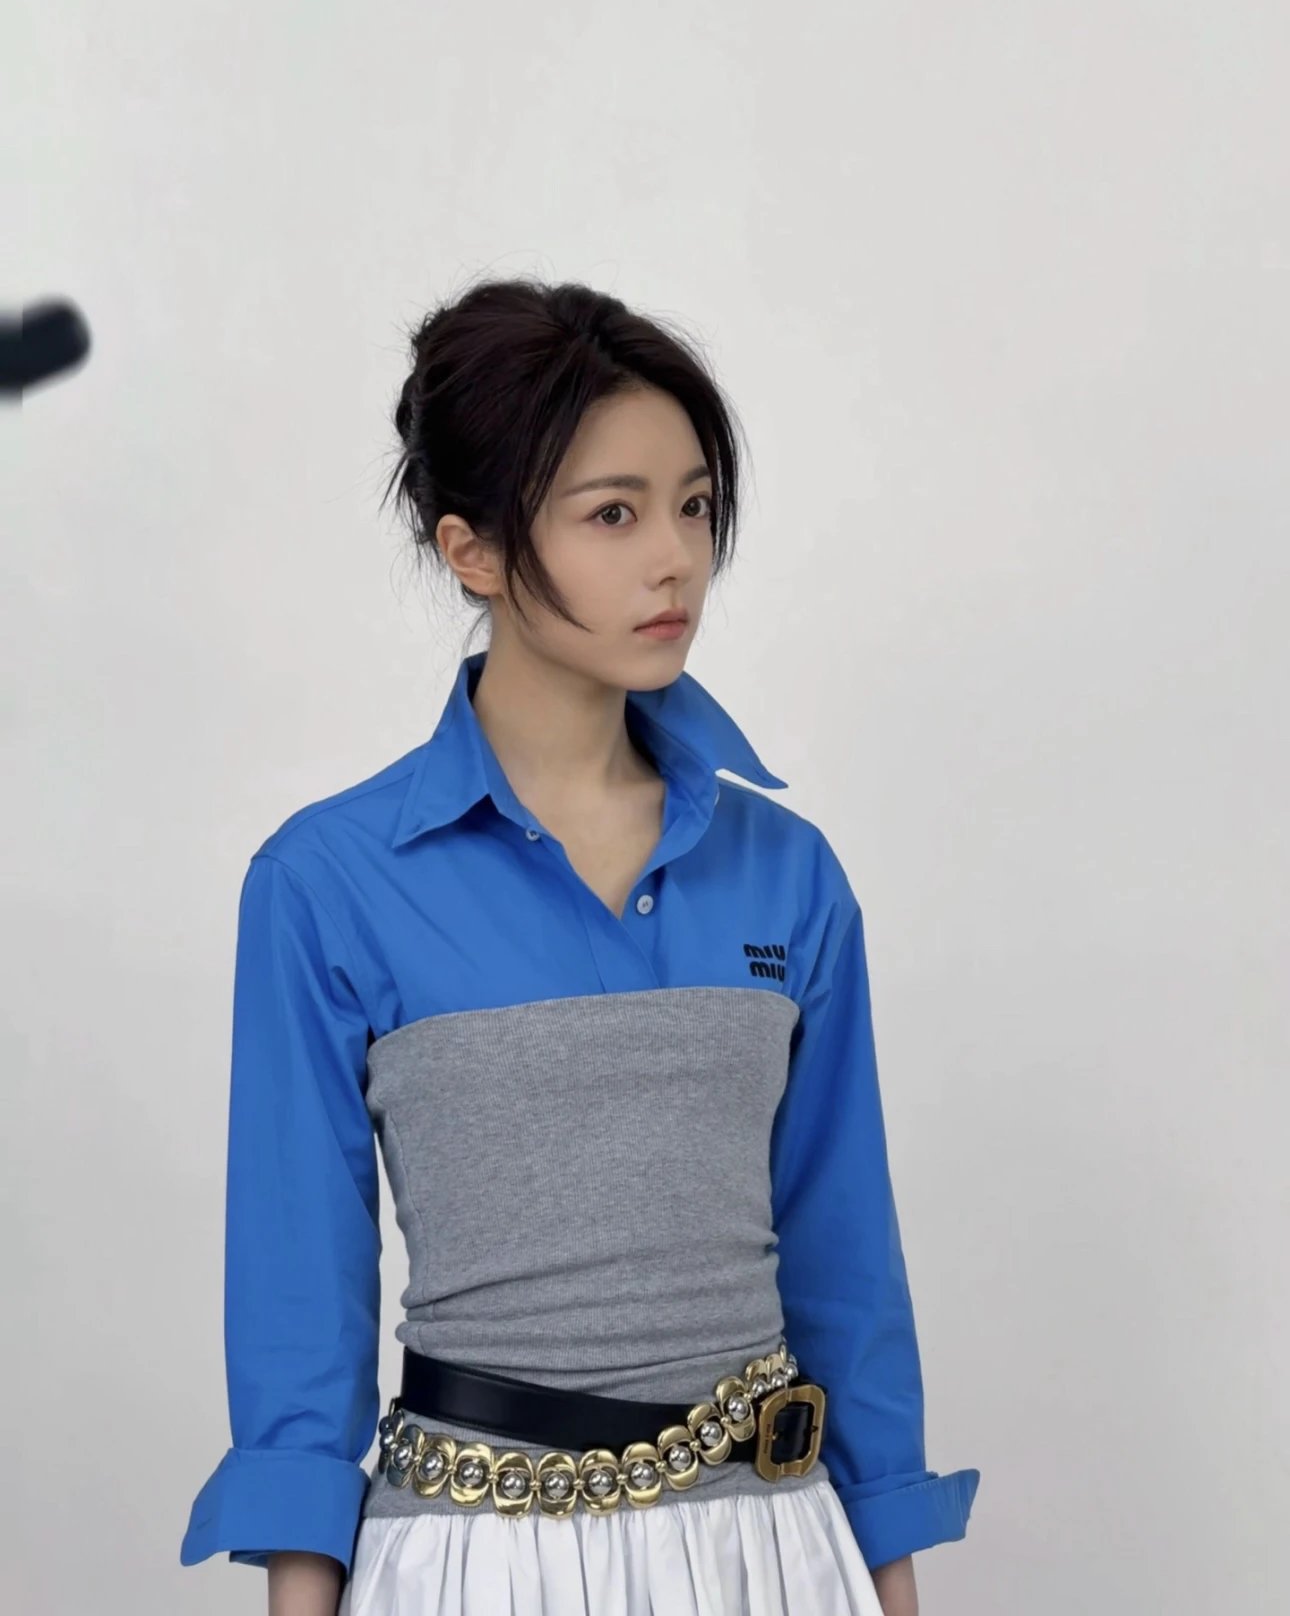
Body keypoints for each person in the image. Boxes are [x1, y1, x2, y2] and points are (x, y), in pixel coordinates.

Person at [178, 277, 979, 1615]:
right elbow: (298, 1308)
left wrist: (888, 1586)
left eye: (694, 507)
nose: (675, 559)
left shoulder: (788, 875)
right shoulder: (326, 882)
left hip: (773, 1555)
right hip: (470, 1558)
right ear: (474, 549)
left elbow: (847, 1269)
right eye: (613, 513)